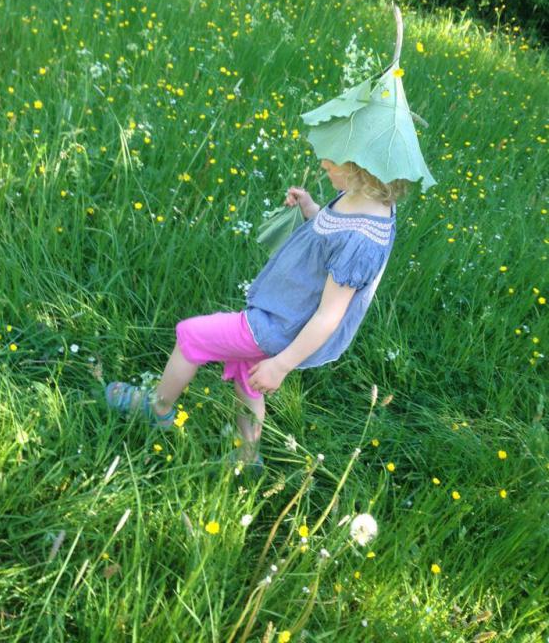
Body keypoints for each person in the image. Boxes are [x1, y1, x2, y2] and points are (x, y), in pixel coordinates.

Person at [105, 158, 413, 470]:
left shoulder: (362, 239)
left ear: (360, 166)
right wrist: (311, 210)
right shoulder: (364, 196)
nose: (323, 162)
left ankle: (157, 408)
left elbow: (328, 316)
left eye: (332, 160)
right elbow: (332, 240)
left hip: (276, 325)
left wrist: (280, 365)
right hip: (282, 310)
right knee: (247, 376)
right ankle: (249, 458)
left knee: (190, 334)